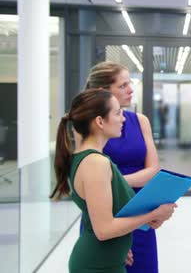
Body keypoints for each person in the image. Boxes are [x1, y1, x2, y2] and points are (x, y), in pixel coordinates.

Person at [49, 88, 176, 273]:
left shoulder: (91, 159)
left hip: (108, 258)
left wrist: (121, 245)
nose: (123, 119)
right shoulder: (95, 163)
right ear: (100, 121)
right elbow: (104, 229)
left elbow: (103, 218)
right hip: (97, 265)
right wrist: (153, 214)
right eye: (118, 113)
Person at [85, 61, 161, 272]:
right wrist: (101, 185)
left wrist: (108, 182)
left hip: (139, 213)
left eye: (130, 83)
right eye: (122, 85)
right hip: (104, 215)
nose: (130, 90)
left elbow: (153, 170)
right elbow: (86, 179)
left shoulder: (140, 120)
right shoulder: (88, 125)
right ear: (103, 92)